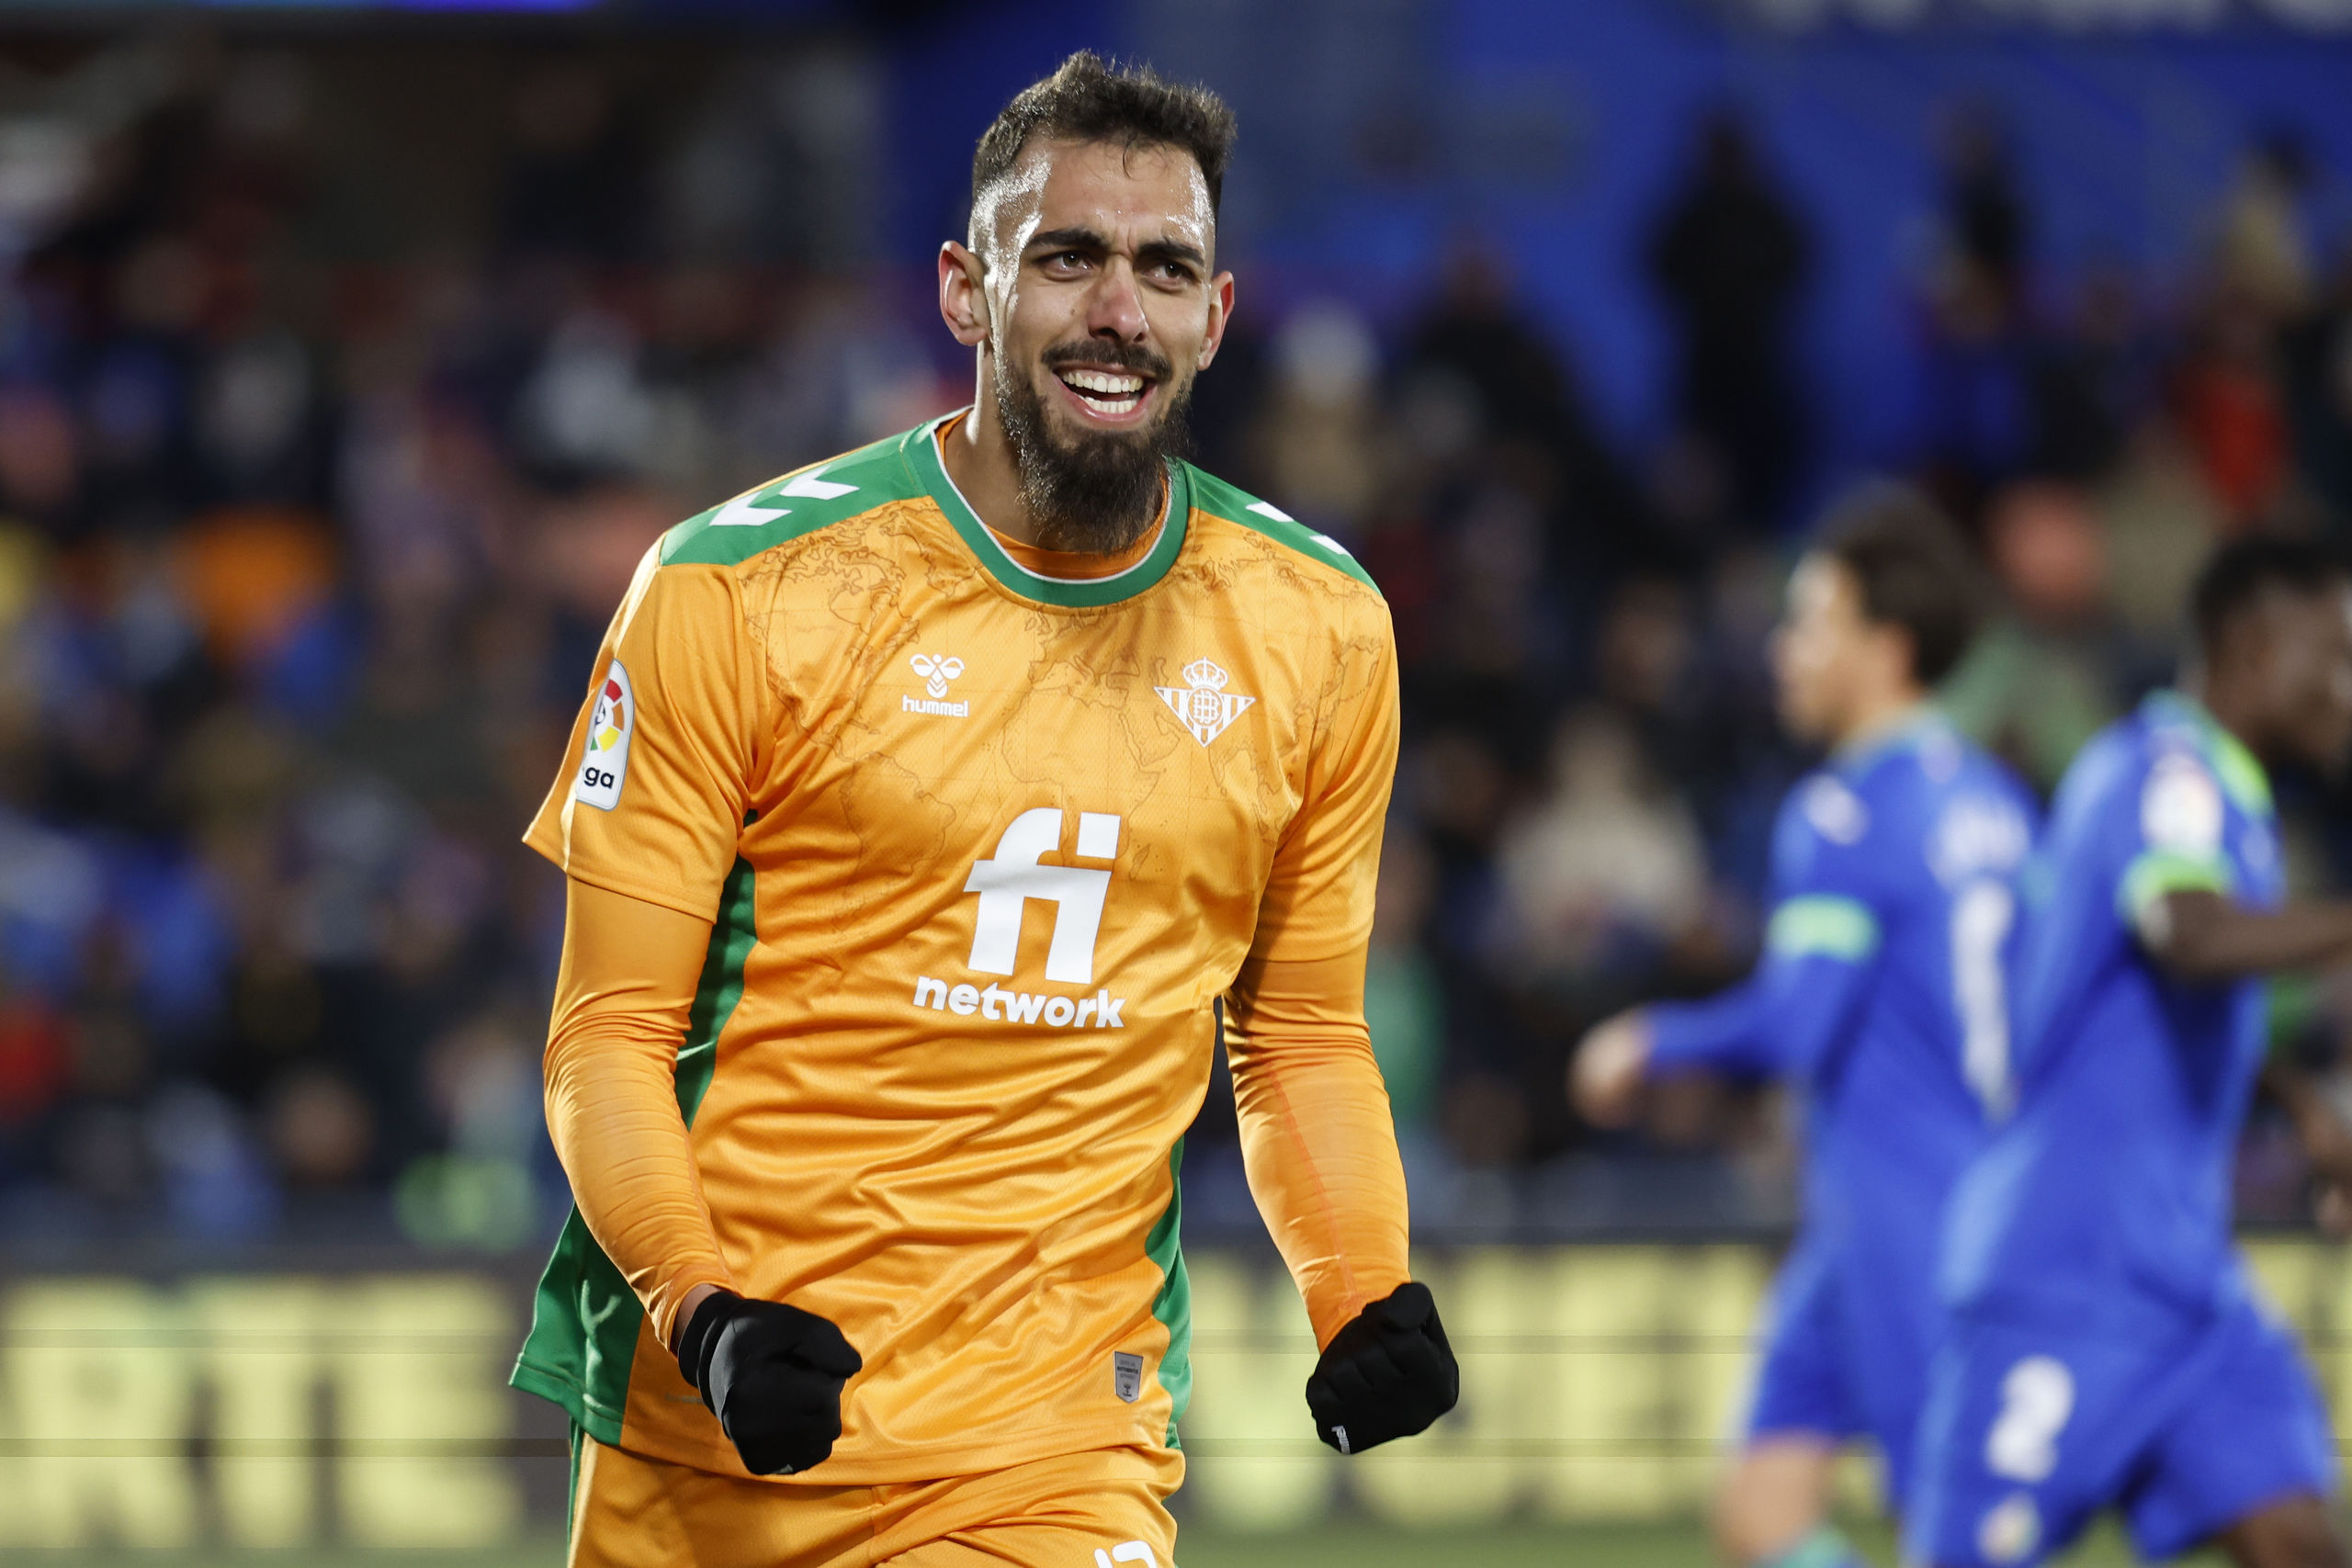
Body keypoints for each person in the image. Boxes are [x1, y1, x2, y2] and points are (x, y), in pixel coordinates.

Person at [512, 53, 1456, 1568]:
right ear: (966, 290)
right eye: (1068, 256)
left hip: (1058, 1444)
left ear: (1216, 317)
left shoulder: (1321, 627)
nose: (1119, 308)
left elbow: (1296, 1035)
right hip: (720, 1415)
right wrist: (703, 1307)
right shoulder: (732, 591)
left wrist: (1361, 1288)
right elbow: (606, 1036)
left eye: (1165, 269)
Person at [1572, 489, 2036, 1568]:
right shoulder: (1998, 804)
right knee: (1760, 1517)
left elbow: (1796, 1023)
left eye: (1811, 624)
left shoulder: (1845, 812)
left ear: (1887, 647)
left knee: (1947, 1536)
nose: (1783, 651)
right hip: (1910, 1202)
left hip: (1910, 1213)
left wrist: (1649, 1042)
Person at [1906, 537, 2352, 1568]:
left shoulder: (2227, 797)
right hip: (2066, 1276)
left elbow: (2153, 1013)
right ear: (2252, 644)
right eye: (2332, 653)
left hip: (2187, 1288)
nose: (2347, 683)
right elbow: (2186, 935)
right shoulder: (2166, 772)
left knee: (2299, 1543)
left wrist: (2298, 1105)